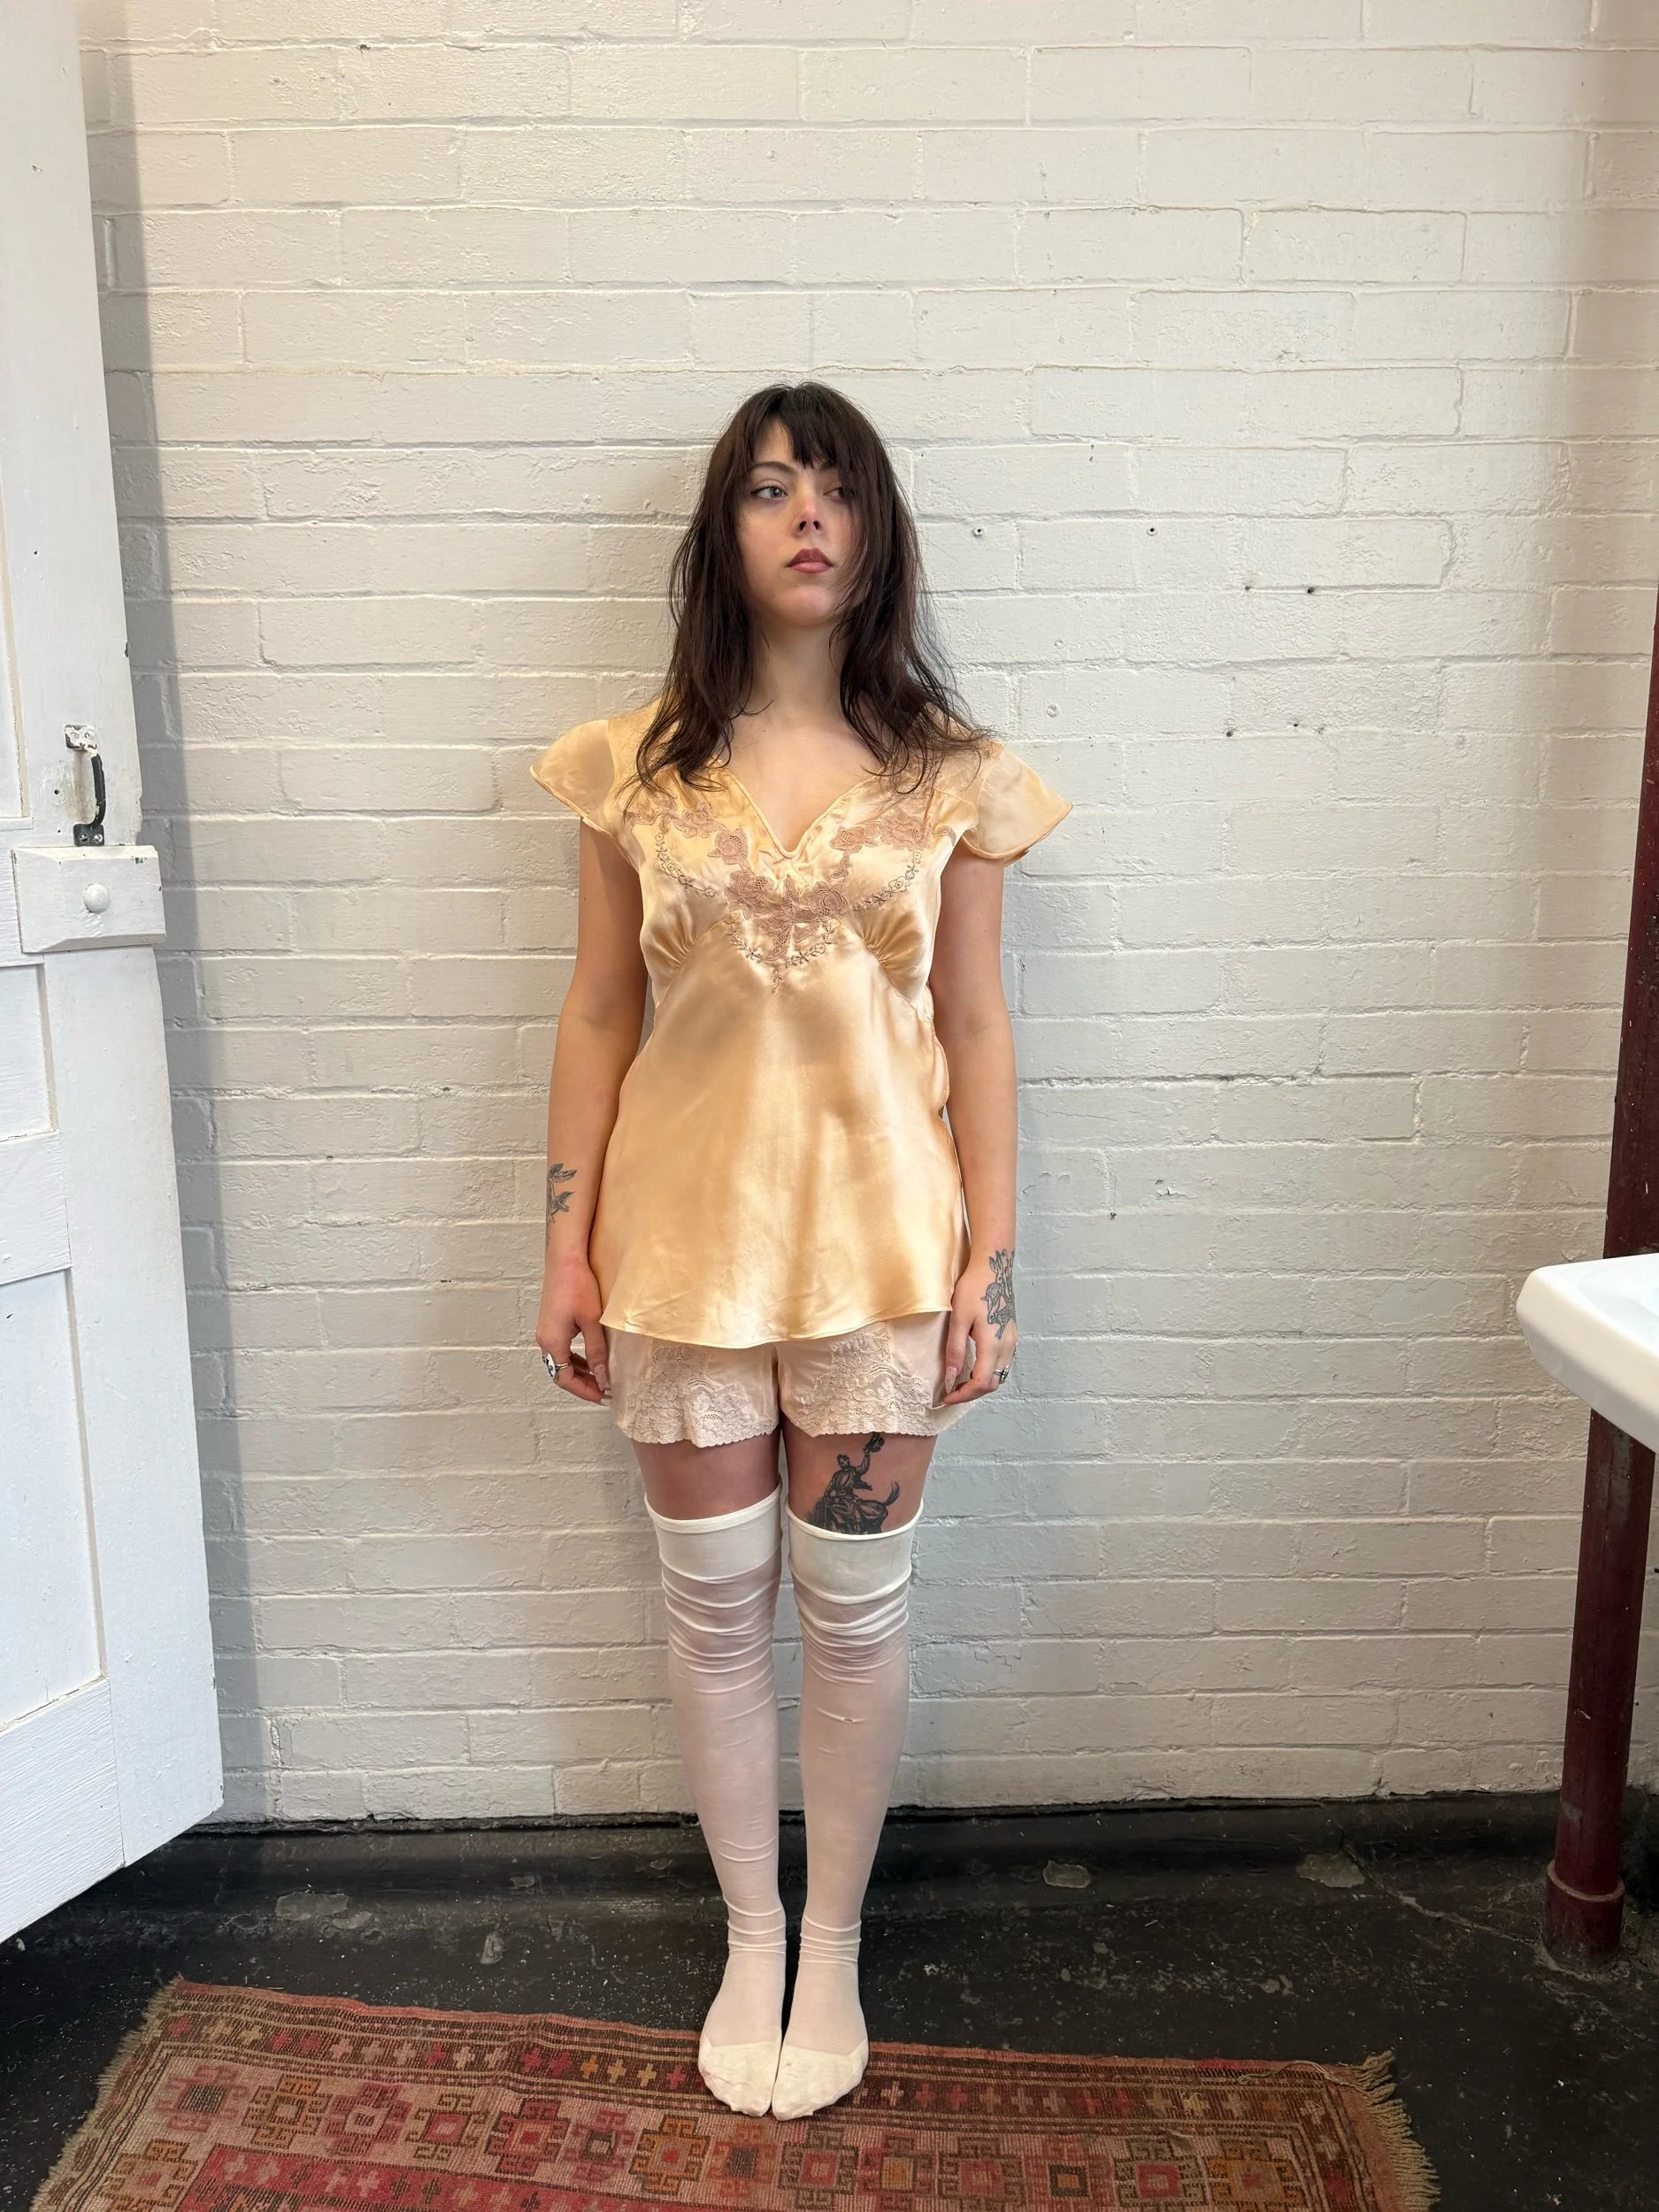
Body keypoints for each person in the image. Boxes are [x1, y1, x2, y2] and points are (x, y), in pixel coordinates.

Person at [530, 381, 1071, 2122]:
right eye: (770, 489)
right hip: (678, 1262)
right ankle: (746, 1932)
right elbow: (597, 1010)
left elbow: (974, 1022)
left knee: (849, 1616)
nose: (807, 516)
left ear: (877, 528)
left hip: (884, 1262)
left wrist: (991, 1259)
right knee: (711, 1618)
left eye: (835, 488)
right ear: (726, 531)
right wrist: (564, 1245)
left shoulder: (950, 779)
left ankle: (828, 1942)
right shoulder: (629, 769)